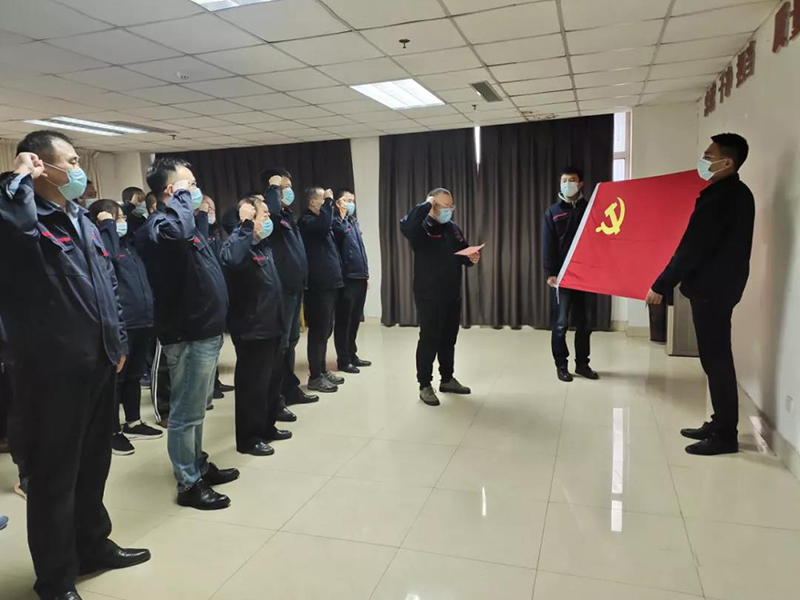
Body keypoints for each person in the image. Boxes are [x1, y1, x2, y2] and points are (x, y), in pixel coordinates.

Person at [0, 131, 150, 600]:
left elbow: (107, 284)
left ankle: (93, 546)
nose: (79, 169)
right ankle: (55, 579)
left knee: (93, 466)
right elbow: (11, 227)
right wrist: (17, 179)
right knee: (54, 479)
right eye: (69, 161)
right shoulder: (24, 220)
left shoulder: (80, 218)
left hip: (98, 362)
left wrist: (118, 340)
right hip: (52, 371)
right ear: (41, 167)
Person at [138, 157, 239, 511]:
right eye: (189, 185)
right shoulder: (159, 227)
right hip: (187, 332)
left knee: (197, 409)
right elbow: (177, 234)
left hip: (205, 330)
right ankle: (188, 483)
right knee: (185, 412)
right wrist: (182, 199)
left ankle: (197, 464)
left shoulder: (184, 224)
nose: (195, 190)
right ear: (171, 190)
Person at [647, 133, 755, 456]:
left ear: (727, 162)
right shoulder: (737, 193)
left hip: (712, 290)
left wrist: (661, 284)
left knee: (717, 360)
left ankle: (725, 435)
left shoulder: (721, 198)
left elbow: (692, 248)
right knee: (714, 359)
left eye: (709, 156)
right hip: (720, 288)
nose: (703, 161)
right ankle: (720, 423)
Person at [220, 195, 292, 456]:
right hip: (252, 329)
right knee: (253, 387)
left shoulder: (263, 245)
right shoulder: (237, 244)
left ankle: (267, 427)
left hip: (272, 324)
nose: (269, 219)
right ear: (249, 217)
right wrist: (246, 226)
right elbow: (231, 260)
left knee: (272, 382)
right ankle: (249, 439)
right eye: (264, 215)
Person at [89, 200, 162, 456]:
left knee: (133, 376)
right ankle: (111, 431)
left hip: (142, 319)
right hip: (123, 323)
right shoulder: (102, 245)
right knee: (116, 381)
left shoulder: (129, 245)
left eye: (120, 218)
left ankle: (133, 422)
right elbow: (107, 260)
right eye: (115, 218)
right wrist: (107, 226)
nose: (121, 223)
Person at [400, 188, 480, 406]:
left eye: (451, 206)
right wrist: (426, 204)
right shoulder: (421, 228)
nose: (448, 210)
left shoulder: (452, 228)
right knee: (429, 340)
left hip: (452, 292)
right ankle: (424, 385)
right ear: (432, 205)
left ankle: (447, 379)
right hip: (429, 294)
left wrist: (471, 258)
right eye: (444, 206)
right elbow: (407, 226)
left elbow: (462, 251)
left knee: (448, 339)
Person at [262, 168, 318, 415]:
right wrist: (273, 187)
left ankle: (290, 388)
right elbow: (272, 211)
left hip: (295, 287)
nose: (289, 191)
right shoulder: (270, 215)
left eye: (288, 186)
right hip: (281, 290)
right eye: (283, 187)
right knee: (281, 345)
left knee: (292, 341)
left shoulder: (287, 215)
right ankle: (277, 398)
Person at [542, 167, 600, 383]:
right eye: (564, 180)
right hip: (563, 277)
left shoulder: (592, 208)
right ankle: (562, 366)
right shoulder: (553, 212)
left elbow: (600, 241)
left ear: (581, 183)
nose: (567, 184)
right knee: (560, 324)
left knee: (585, 324)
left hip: (587, 277)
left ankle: (583, 364)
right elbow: (548, 245)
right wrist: (550, 273)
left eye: (572, 180)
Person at [299, 187, 346, 393]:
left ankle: (322, 369)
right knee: (318, 331)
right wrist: (329, 203)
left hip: (330, 283)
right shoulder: (306, 221)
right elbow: (323, 226)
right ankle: (315, 376)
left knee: (327, 329)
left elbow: (335, 228)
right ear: (312, 203)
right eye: (323, 200)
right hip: (318, 286)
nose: (328, 203)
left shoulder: (322, 221)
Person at [332, 189, 372, 374]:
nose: (351, 203)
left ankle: (352, 353)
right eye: (346, 200)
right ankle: (343, 359)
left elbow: (360, 249)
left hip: (359, 276)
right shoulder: (335, 222)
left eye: (352, 200)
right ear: (337, 202)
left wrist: (366, 275)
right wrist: (340, 215)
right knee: (344, 321)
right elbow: (339, 234)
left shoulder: (353, 221)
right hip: (346, 278)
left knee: (355, 319)